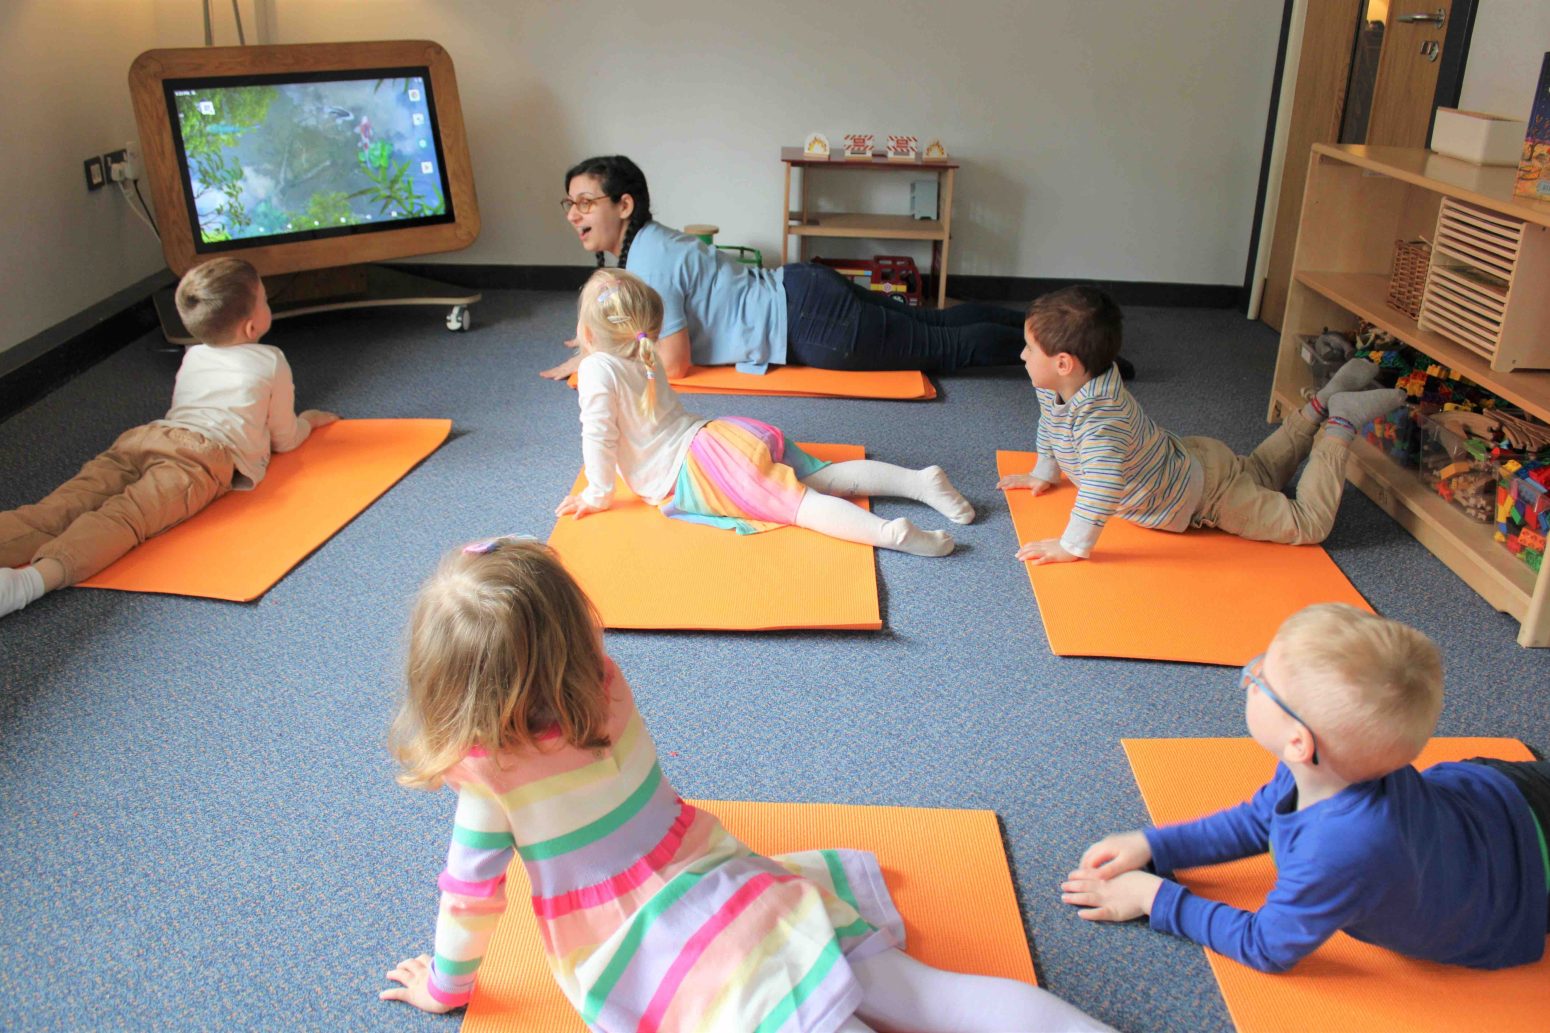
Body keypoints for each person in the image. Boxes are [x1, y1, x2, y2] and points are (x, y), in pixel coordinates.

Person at [379, 536, 1113, 1032]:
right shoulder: (605, 687)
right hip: (725, 876)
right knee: (923, 990)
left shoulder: (487, 776)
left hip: (652, 946)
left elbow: (471, 897)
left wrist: (445, 988)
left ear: (447, 690)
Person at [1060, 604, 1550, 974]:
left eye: (1261, 678)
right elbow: (1260, 818)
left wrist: (1155, 898)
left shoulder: (1342, 849)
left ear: (1298, 741)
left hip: (1523, 890)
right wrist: (1154, 844)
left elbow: (1266, 946)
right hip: (1502, 797)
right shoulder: (1326, 763)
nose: (1250, 677)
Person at [541, 155, 1138, 383]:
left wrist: (602, 359)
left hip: (808, 326)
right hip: (802, 286)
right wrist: (602, 339)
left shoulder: (647, 262)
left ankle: (1077, 358)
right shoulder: (651, 243)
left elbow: (676, 366)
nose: (575, 214)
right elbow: (641, 322)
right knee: (934, 323)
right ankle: (1055, 328)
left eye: (586, 202)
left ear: (624, 205)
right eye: (570, 203)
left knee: (943, 350)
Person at [0, 258, 336, 617]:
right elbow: (284, 438)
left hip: (147, 437)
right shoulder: (270, 360)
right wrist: (309, 422)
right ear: (252, 325)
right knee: (126, 518)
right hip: (203, 457)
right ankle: (28, 584)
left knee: (57, 509)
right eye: (266, 299)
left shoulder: (194, 355)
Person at [558, 268, 973, 557]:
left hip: (700, 470)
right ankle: (919, 482)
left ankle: (891, 534)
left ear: (589, 334)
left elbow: (598, 436)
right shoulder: (644, 351)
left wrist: (597, 493)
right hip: (725, 436)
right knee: (822, 476)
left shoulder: (596, 367)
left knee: (802, 505)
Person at [997, 285, 1405, 564]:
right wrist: (1044, 471)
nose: (1022, 355)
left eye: (1030, 349)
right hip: (1192, 461)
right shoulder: (1059, 386)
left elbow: (1102, 486)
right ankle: (1325, 397)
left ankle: (1340, 422)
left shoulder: (1101, 424)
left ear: (1064, 363)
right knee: (1260, 472)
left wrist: (1072, 545)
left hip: (1207, 497)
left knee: (1307, 524)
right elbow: (1050, 426)